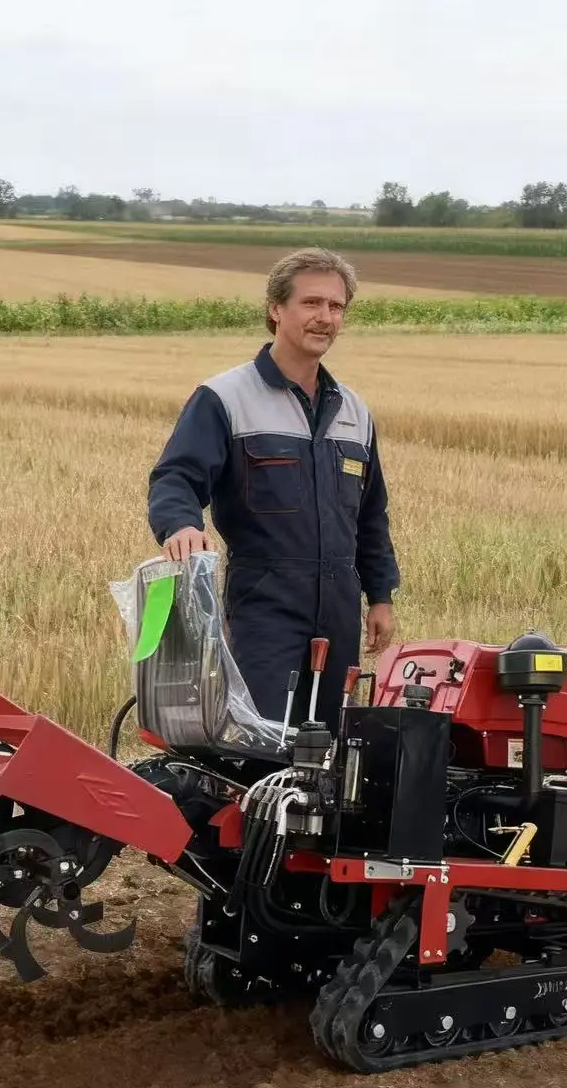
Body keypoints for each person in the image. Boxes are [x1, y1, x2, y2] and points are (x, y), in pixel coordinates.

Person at [146, 247, 400, 733]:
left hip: (340, 608)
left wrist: (381, 595)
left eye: (336, 307)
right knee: (262, 740)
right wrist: (180, 524)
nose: (324, 317)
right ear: (275, 308)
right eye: (311, 303)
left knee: (330, 748)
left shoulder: (354, 411)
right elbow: (176, 476)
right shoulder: (225, 398)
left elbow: (370, 515)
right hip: (265, 604)